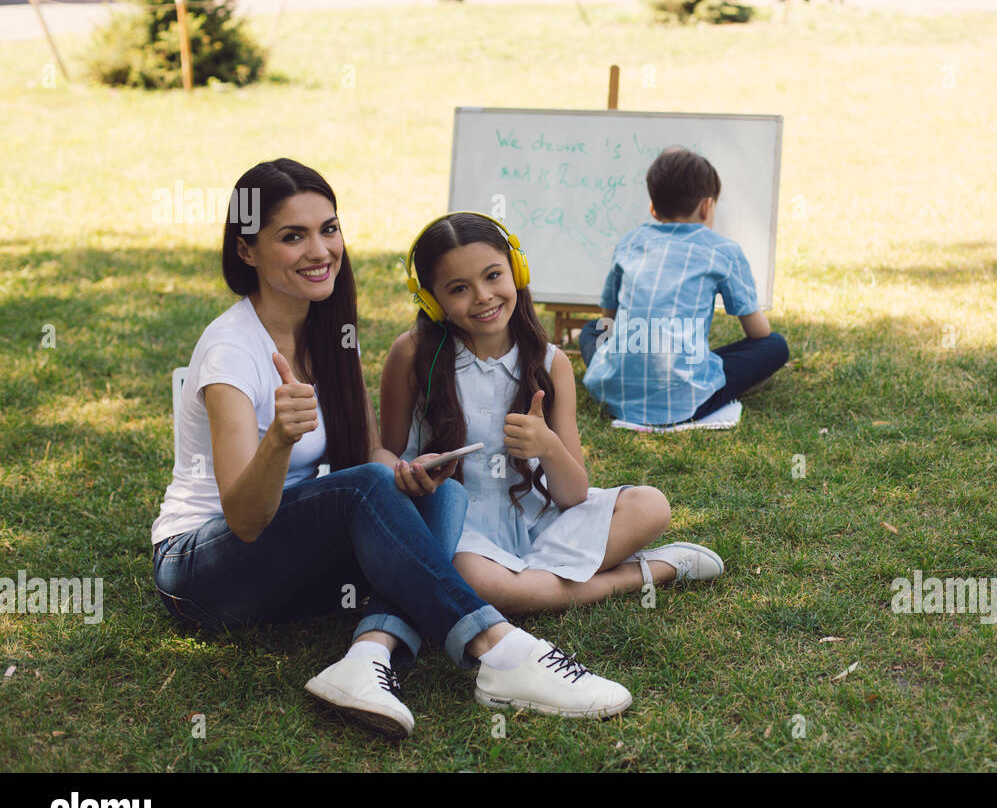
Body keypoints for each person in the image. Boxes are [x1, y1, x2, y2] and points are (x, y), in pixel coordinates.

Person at [151, 159, 633, 738]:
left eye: (328, 229)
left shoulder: (332, 333)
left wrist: (407, 471)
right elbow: (245, 519)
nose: (319, 250)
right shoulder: (231, 351)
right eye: (292, 236)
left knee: (442, 499)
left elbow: (367, 455)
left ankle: (368, 659)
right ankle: (503, 653)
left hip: (293, 561)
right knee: (368, 489)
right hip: (204, 574)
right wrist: (279, 439)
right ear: (247, 251)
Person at [381, 212, 724, 617]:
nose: (483, 296)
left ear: (517, 271)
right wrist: (403, 472)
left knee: (651, 506)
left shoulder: (551, 362)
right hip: (460, 534)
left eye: (493, 276)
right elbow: (384, 453)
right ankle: (637, 574)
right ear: (431, 301)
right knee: (476, 583)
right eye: (459, 288)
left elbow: (574, 493)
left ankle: (531, 583)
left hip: (542, 522)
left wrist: (547, 445)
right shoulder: (411, 353)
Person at [580, 147, 789, 427]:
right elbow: (758, 332)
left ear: (653, 208)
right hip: (686, 400)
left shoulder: (630, 242)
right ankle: (697, 389)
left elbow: (608, 319)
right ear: (706, 206)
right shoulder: (723, 251)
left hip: (613, 393)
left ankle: (627, 377)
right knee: (774, 346)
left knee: (590, 330)